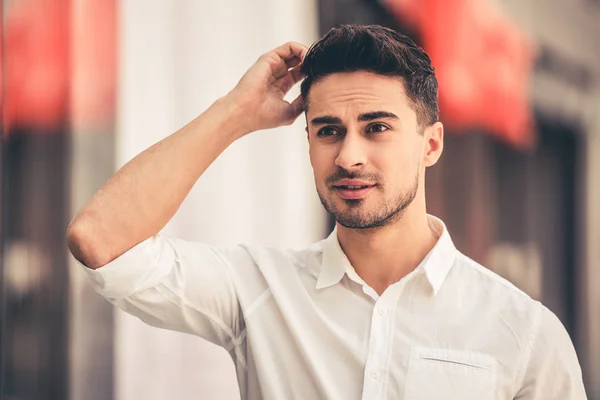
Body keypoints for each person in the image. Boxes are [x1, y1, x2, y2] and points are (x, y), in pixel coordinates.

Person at [67, 25, 586, 400]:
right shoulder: (259, 290)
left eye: (377, 128)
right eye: (328, 130)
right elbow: (100, 239)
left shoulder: (525, 331)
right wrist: (234, 113)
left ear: (430, 145)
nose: (348, 156)